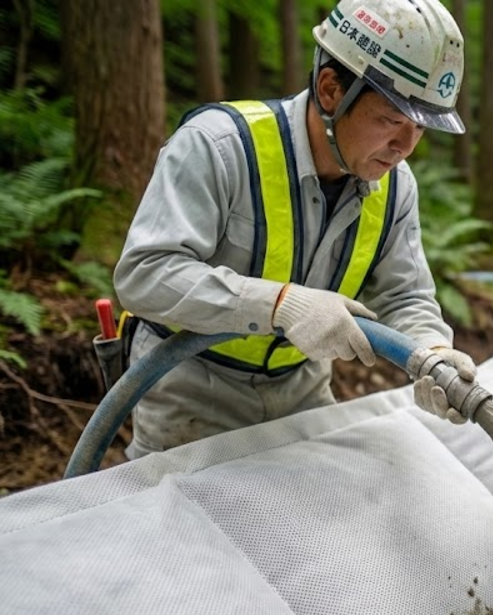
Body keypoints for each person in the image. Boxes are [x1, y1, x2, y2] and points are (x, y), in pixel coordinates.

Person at [113, 0, 474, 459]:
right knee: (184, 508)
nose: (405, 146)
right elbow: (144, 275)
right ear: (330, 90)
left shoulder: (395, 186)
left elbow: (405, 296)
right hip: (191, 392)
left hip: (302, 392)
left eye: (420, 128)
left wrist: (432, 352)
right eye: (391, 120)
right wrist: (280, 305)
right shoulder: (219, 147)